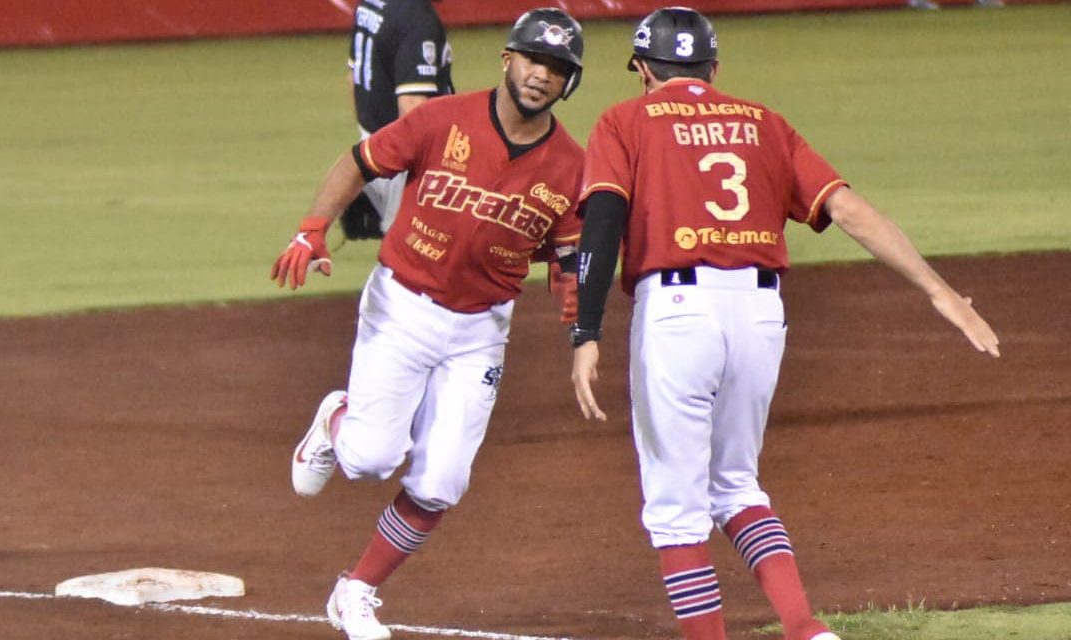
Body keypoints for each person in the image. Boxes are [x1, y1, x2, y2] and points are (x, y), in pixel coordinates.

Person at [568, 7, 1000, 640]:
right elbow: (848, 210)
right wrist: (939, 291)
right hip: (760, 314)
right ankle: (805, 629)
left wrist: (586, 330)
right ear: (712, 69)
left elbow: (603, 219)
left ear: (642, 70)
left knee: (675, 509)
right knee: (738, 484)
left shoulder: (624, 119)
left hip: (678, 313)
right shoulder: (763, 121)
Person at [271, 8, 586, 640]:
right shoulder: (443, 120)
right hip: (402, 307)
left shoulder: (572, 165)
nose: (540, 76)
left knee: (442, 482)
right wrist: (312, 230)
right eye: (532, 59)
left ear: (568, 83)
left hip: (481, 331)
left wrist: (576, 295)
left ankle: (355, 592)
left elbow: (570, 250)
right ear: (507, 59)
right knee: (367, 460)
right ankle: (337, 418)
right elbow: (359, 162)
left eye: (557, 69)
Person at [341, 0, 455, 241]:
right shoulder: (417, 20)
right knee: (414, 251)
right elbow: (413, 107)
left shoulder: (371, 4)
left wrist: (370, 151)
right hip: (407, 156)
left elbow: (354, 79)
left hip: (378, 142)